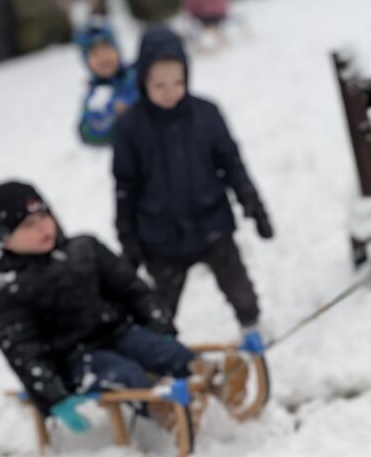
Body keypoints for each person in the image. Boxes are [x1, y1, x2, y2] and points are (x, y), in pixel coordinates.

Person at [0, 180, 207, 433]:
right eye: (28, 225)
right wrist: (54, 397)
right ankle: (166, 412)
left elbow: (131, 288)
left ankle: (214, 379)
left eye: (45, 216)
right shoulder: (10, 293)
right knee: (123, 374)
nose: (42, 227)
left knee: (163, 351)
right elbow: (24, 353)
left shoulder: (85, 249)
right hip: (75, 362)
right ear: (5, 241)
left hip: (119, 335)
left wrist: (160, 325)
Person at [112, 26, 272, 338]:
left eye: (178, 82)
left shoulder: (207, 114)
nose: (170, 91)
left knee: (238, 286)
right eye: (159, 85)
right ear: (143, 81)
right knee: (161, 305)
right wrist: (128, 238)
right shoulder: (130, 128)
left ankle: (252, 327)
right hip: (161, 235)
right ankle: (161, 347)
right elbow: (124, 187)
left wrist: (253, 203)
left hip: (212, 222)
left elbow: (232, 164)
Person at [73, 21, 138, 147]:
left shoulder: (135, 75)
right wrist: (113, 118)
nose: (103, 57)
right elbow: (87, 131)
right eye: (94, 53)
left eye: (107, 48)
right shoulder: (94, 96)